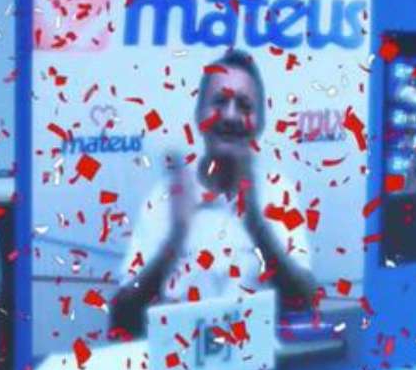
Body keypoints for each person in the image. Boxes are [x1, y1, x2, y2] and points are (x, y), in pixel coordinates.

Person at [111, 49, 316, 338]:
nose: (230, 116)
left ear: (259, 123)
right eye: (219, 102)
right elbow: (121, 318)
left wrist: (256, 224)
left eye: (244, 106)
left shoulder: (278, 191)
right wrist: (175, 239)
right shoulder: (165, 198)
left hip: (258, 362)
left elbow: (306, 302)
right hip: (179, 359)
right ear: (199, 115)